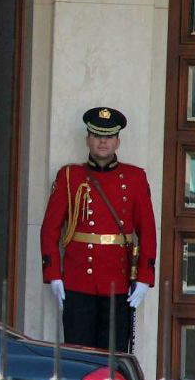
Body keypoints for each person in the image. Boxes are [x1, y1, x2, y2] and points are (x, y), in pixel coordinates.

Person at [40, 107, 157, 352]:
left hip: (118, 282)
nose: (103, 141)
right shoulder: (70, 177)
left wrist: (145, 278)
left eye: (108, 136)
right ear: (88, 139)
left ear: (117, 141)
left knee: (112, 360)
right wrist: (53, 274)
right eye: (96, 135)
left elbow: (148, 231)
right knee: (78, 356)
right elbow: (50, 229)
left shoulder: (135, 178)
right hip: (78, 281)